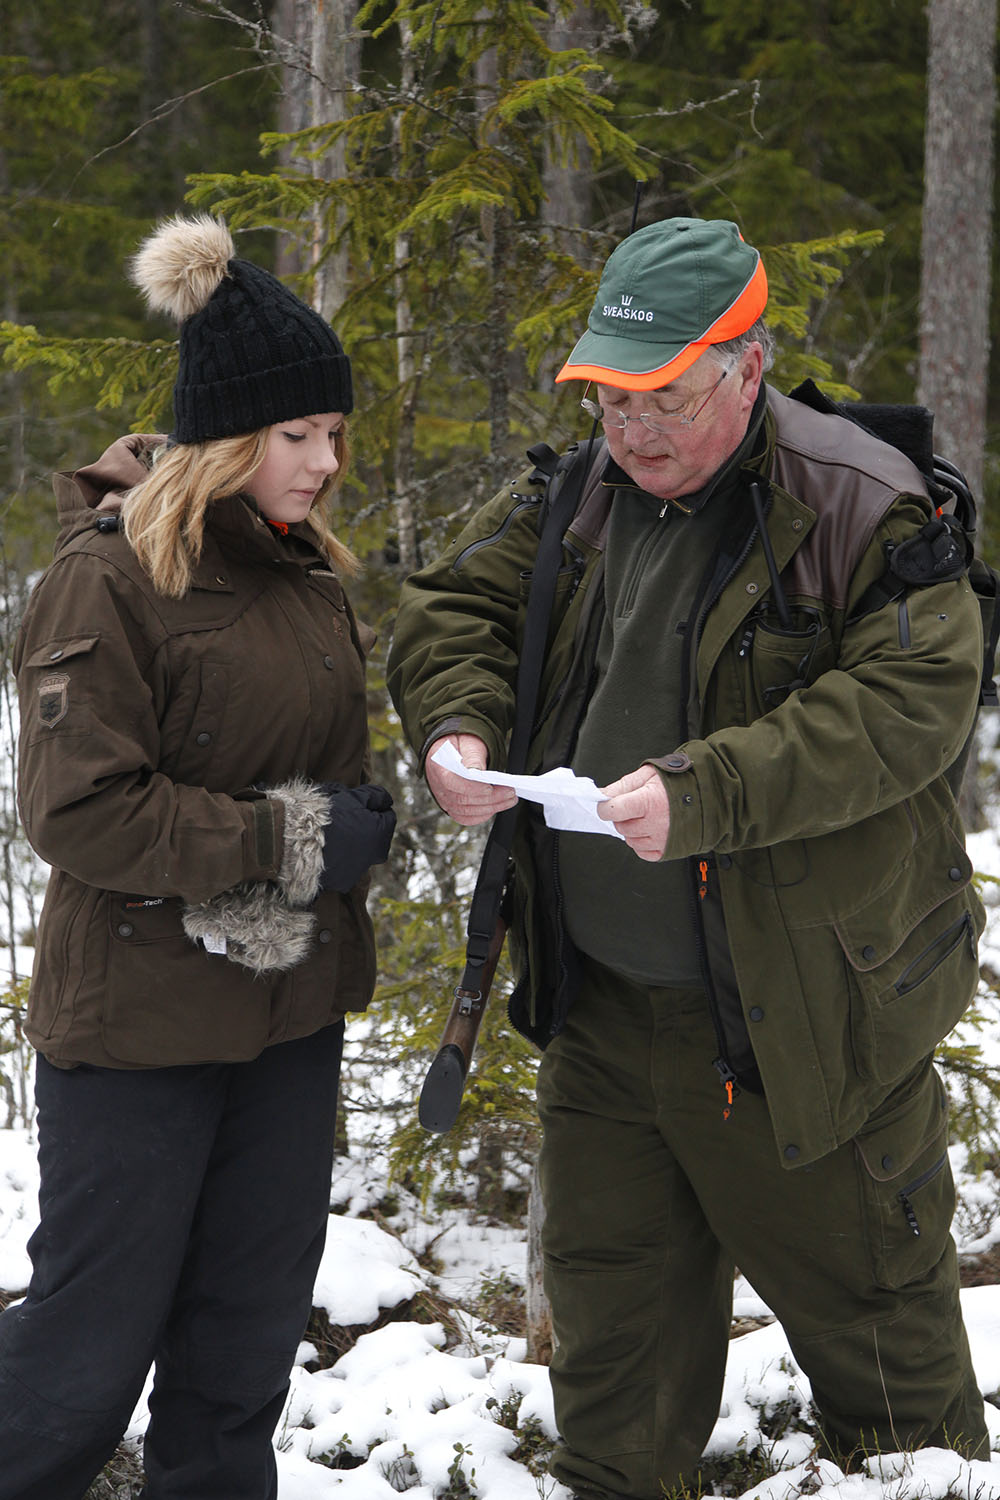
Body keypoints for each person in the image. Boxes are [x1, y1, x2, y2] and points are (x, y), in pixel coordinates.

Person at [387, 217, 992, 1499]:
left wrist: (704, 791)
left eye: (664, 397)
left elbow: (906, 707)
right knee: (613, 1397)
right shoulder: (581, 492)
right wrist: (458, 719)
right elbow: (458, 605)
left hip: (805, 1029)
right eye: (611, 396)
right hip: (603, 1015)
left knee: (899, 1407)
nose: (632, 427)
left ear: (748, 367)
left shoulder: (866, 507)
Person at [0, 214, 395, 1500]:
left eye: (334, 433)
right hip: (140, 1026)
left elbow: (313, 755)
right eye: (298, 435)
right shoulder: (107, 582)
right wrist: (297, 838)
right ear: (228, 438)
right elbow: (80, 809)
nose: (328, 461)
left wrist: (364, 813)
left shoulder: (303, 573)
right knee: (82, 1361)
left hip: (285, 1019)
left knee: (239, 1359)